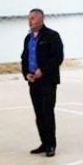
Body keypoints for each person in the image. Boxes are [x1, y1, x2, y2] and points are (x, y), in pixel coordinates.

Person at [21, 8, 64, 157]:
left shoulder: (52, 36)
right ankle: (44, 143)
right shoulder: (28, 38)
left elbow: (57, 57)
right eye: (29, 18)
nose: (30, 21)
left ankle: (51, 145)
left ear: (41, 19)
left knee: (47, 112)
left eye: (33, 18)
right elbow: (24, 58)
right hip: (33, 82)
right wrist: (26, 74)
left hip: (47, 81)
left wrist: (42, 71)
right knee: (39, 113)